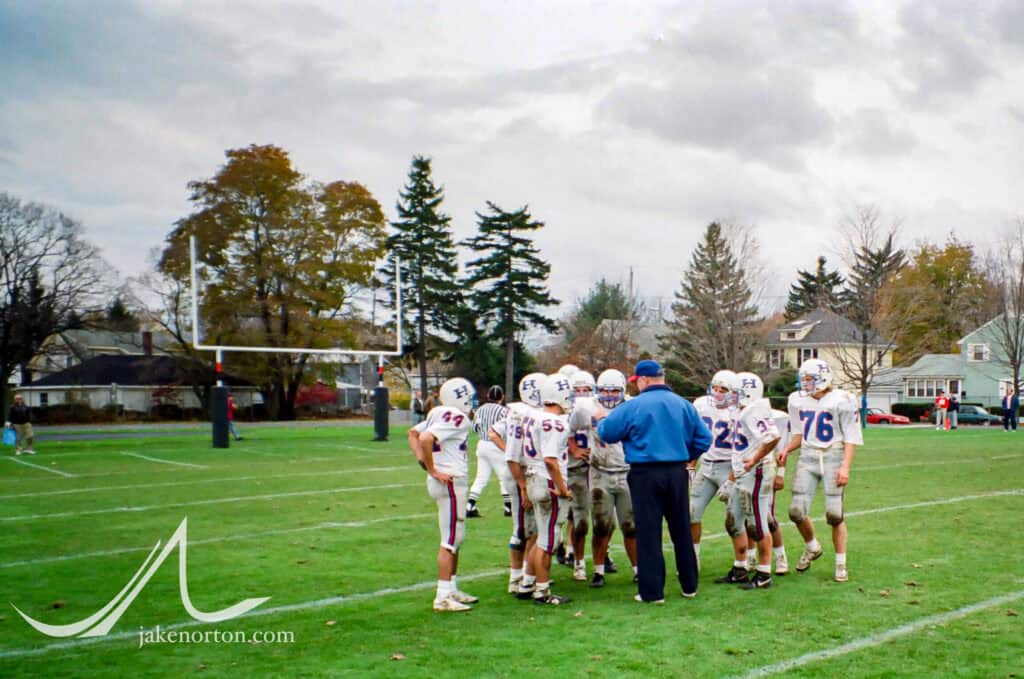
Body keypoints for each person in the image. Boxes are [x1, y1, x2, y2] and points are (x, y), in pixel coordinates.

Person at [595, 359, 711, 603]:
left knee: (648, 532)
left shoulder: (634, 406)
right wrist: (688, 456)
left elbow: (608, 433)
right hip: (677, 471)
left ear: (644, 380)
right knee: (681, 529)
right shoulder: (683, 405)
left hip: (645, 472)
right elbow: (704, 438)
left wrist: (601, 420)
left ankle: (652, 591)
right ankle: (689, 585)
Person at [779, 358, 863, 583]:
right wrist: (787, 449)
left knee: (835, 515)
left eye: (808, 379)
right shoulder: (797, 400)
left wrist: (845, 466)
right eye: (803, 379)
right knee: (796, 511)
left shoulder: (842, 399)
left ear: (822, 378)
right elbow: (799, 433)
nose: (804, 384)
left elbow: (851, 437)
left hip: (833, 455)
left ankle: (840, 563)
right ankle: (812, 547)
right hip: (807, 455)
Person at [407, 377, 479, 612]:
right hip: (450, 481)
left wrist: (423, 462)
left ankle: (452, 588)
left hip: (445, 481)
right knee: (449, 541)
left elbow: (412, 433)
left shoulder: (437, 412)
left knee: (456, 538)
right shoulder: (456, 416)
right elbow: (426, 438)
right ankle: (442, 596)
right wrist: (433, 469)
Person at [570, 368, 638, 588]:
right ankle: (598, 571)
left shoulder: (632, 406)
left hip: (627, 471)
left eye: (614, 391)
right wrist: (575, 450)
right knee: (601, 525)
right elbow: (569, 430)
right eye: (605, 391)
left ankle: (638, 570)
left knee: (631, 525)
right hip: (600, 472)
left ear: (623, 391)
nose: (609, 395)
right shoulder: (586, 406)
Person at [690, 370, 749, 581]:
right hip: (706, 465)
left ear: (733, 392)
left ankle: (742, 565)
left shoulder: (740, 412)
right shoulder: (701, 405)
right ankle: (692, 559)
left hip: (730, 467)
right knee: (691, 514)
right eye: (714, 387)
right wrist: (691, 464)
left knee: (734, 521)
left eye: (722, 389)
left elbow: (743, 450)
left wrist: (732, 478)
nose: (716, 393)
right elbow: (693, 436)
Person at [491, 372, 545, 596]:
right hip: (522, 473)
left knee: (530, 527)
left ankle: (524, 574)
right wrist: (515, 458)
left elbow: (493, 434)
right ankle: (518, 577)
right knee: (524, 527)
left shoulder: (518, 411)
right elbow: (494, 435)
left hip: (522, 471)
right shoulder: (522, 414)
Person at [523, 373, 575, 606]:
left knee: (541, 536)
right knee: (547, 540)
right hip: (548, 483)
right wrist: (563, 489)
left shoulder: (532, 417)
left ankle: (532, 582)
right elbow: (552, 460)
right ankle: (542, 591)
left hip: (533, 478)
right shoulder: (556, 422)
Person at [731, 372, 781, 590]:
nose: (732, 397)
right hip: (745, 472)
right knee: (733, 519)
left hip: (758, 471)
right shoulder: (747, 411)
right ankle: (740, 568)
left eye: (735, 392)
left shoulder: (752, 412)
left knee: (758, 525)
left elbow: (772, 437)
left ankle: (764, 572)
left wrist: (754, 458)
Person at [565, 370, 596, 581]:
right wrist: (573, 449)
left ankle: (604, 556)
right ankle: (577, 560)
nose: (582, 394)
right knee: (579, 519)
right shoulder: (563, 412)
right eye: (577, 390)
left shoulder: (599, 409)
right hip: (571, 470)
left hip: (596, 469)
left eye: (586, 390)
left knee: (604, 519)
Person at [466, 386, 511, 518]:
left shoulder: (480, 409)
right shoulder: (504, 411)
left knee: (481, 477)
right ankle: (509, 508)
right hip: (496, 444)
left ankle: (470, 505)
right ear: (501, 397)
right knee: (504, 476)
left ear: (488, 396)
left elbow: (474, 428)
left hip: (482, 445)